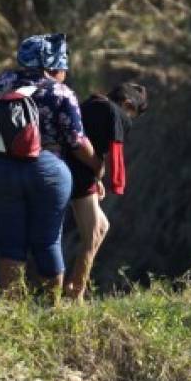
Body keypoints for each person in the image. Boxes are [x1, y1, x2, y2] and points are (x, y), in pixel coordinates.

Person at [0, 33, 102, 296]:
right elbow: (77, 142)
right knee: (48, 242)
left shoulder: (1, 82)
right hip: (47, 170)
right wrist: (97, 165)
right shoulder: (60, 92)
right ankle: (53, 309)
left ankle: (13, 313)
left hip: (1, 168)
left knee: (10, 245)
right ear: (52, 64)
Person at [64, 83, 149, 301]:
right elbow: (115, 151)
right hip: (80, 175)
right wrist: (116, 182)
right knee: (93, 232)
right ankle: (76, 293)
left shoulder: (91, 103)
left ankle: (75, 284)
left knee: (102, 226)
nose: (129, 120)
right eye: (132, 115)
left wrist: (97, 178)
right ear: (127, 104)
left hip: (72, 169)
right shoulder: (116, 112)